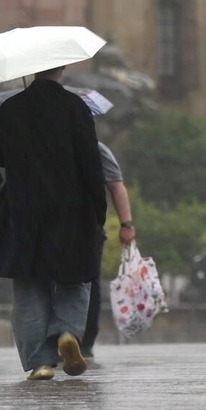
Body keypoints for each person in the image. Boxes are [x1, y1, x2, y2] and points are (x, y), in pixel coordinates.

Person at [0, 66, 106, 381]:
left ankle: (40, 361)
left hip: (25, 206)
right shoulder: (75, 107)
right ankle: (67, 332)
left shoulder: (10, 108)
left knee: (30, 283)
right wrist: (99, 210)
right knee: (76, 277)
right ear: (62, 69)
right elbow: (90, 161)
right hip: (72, 205)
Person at [82, 140, 136, 364]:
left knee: (90, 282)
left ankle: (84, 341)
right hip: (49, 227)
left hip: (90, 227)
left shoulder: (97, 149)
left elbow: (116, 185)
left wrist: (126, 224)